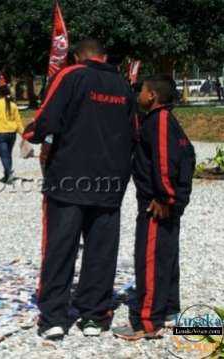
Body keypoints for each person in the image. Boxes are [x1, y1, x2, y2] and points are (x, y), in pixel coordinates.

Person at [23, 39, 135, 339]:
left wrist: (31, 133)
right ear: (105, 56)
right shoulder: (123, 86)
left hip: (69, 179)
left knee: (60, 248)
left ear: (77, 57)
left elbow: (47, 119)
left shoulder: (71, 75)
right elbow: (133, 132)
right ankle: (94, 317)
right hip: (110, 183)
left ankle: (54, 319)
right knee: (101, 250)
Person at [113, 75, 196, 340]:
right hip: (167, 202)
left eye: (142, 90)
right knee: (166, 257)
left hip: (156, 204)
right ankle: (170, 310)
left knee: (149, 260)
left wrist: (165, 198)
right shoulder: (167, 120)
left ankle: (147, 323)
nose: (138, 94)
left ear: (153, 96)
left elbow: (165, 162)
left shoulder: (159, 121)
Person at [0, 85, 24, 184]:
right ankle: (7, 175)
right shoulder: (13, 105)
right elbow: (18, 121)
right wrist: (23, 134)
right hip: (12, 133)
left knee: (4, 155)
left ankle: (9, 174)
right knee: (8, 155)